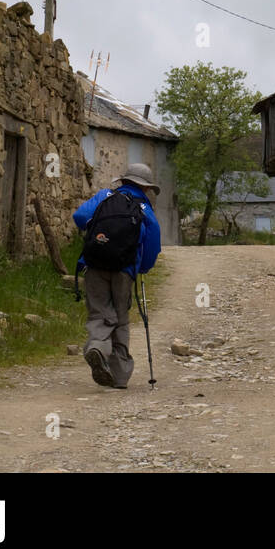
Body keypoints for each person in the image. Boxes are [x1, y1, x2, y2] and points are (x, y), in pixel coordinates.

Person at [72, 162, 162, 389]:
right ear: (146, 187)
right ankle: (119, 375)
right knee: (120, 316)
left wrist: (101, 235)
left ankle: (97, 346)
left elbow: (80, 216)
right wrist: (143, 267)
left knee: (99, 312)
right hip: (125, 269)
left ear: (123, 181)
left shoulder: (105, 196)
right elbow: (153, 243)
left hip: (94, 263)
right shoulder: (144, 208)